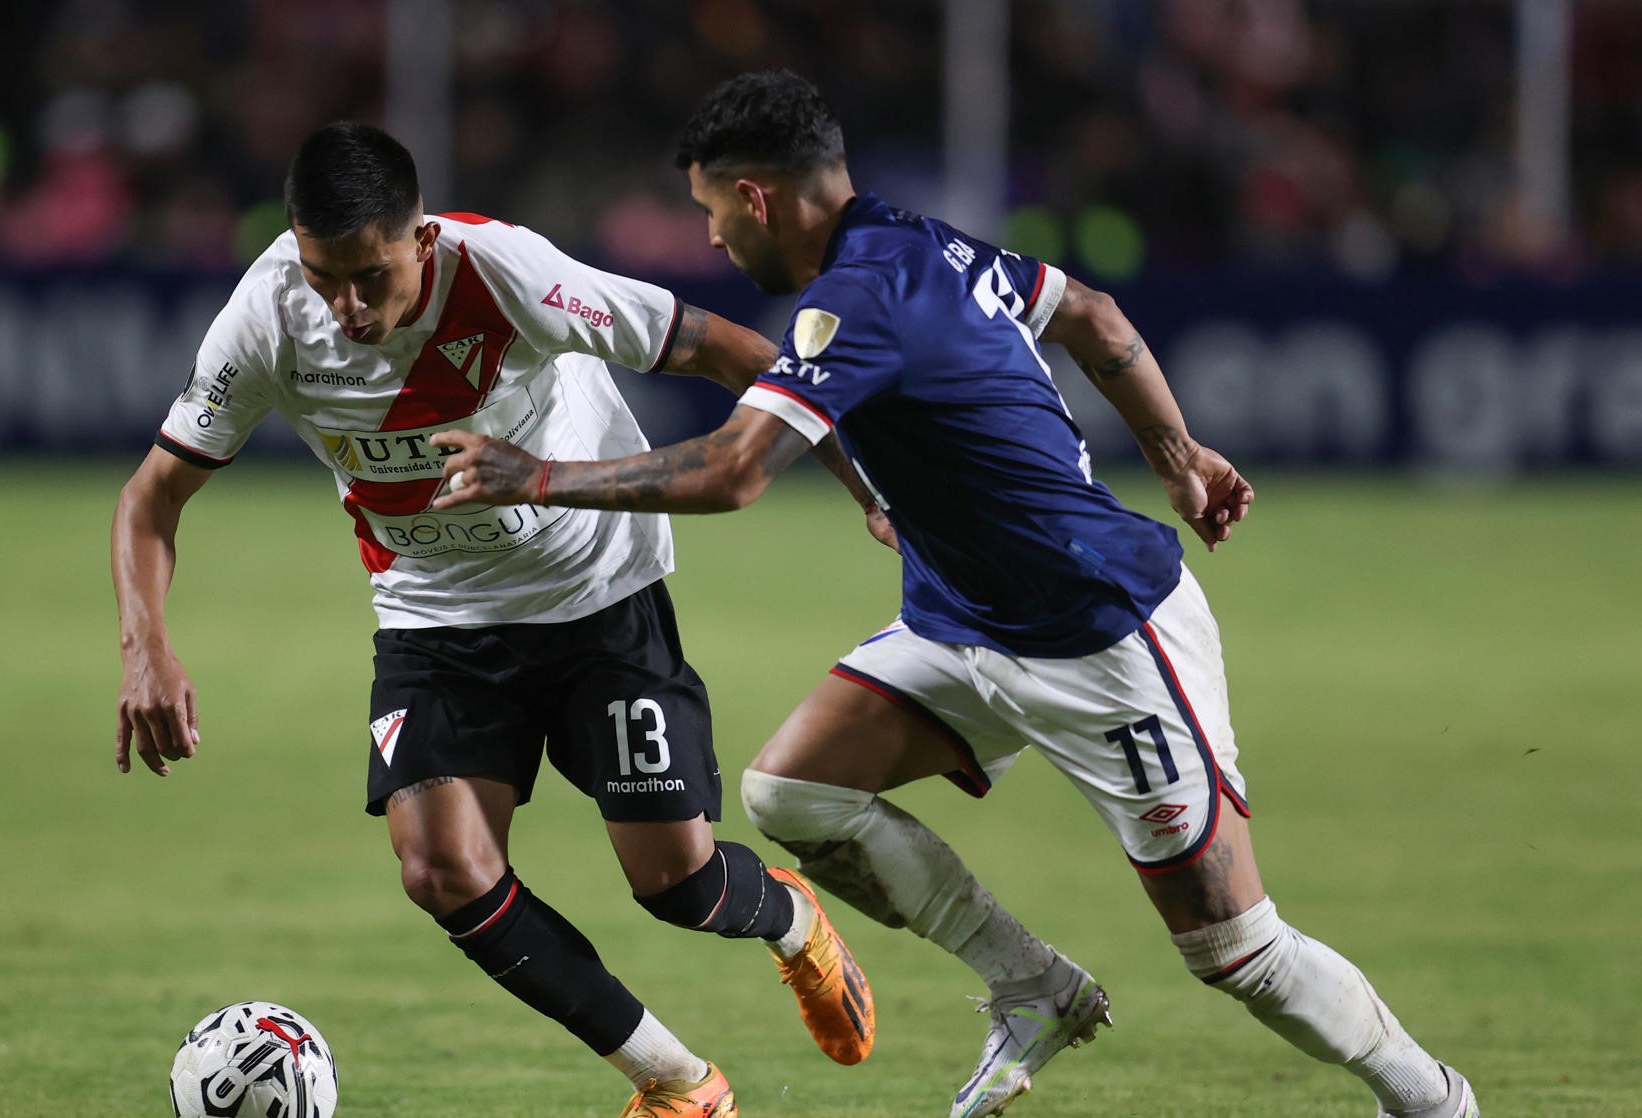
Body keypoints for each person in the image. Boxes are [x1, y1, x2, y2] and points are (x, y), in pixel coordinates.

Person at [431, 71, 1480, 1118]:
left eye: (709, 210)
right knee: (795, 793)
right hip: (962, 619)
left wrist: (542, 476)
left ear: (754, 198)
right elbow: (1093, 315)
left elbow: (735, 470)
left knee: (1235, 949)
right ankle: (1031, 984)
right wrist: (1176, 450)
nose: (709, 238)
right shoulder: (926, 244)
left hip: (1100, 632)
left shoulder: (858, 297)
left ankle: (1433, 1098)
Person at [109, 121, 879, 1118]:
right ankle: (679, 1083)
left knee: (675, 882)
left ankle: (789, 917)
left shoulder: (507, 271)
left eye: (369, 277)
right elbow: (152, 495)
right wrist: (147, 651)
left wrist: (866, 482)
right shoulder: (265, 313)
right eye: (320, 275)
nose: (344, 307)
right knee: (440, 866)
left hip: (596, 594)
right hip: (435, 618)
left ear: (420, 240)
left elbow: (730, 351)